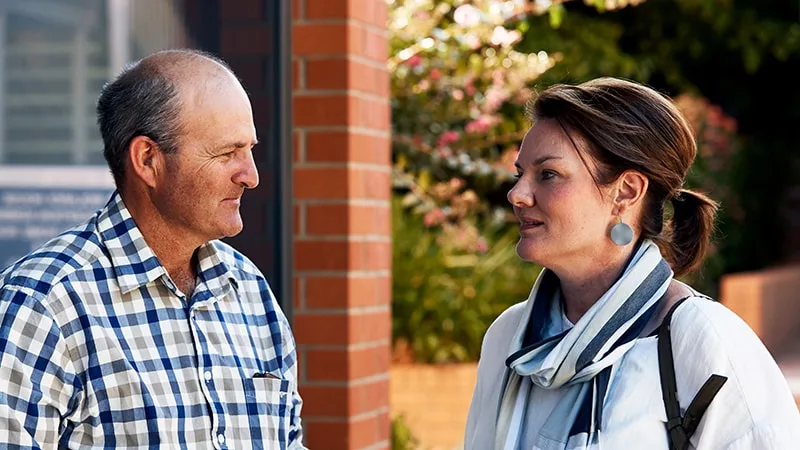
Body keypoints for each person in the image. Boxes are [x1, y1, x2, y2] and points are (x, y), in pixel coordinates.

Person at [464, 77, 800, 449]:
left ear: (625, 192)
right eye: (519, 174)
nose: (517, 194)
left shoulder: (702, 340)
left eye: (548, 174)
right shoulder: (507, 338)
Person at [0, 49, 305, 448]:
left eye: (249, 150)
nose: (251, 176)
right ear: (148, 160)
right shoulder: (41, 306)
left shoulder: (249, 290)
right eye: (226, 153)